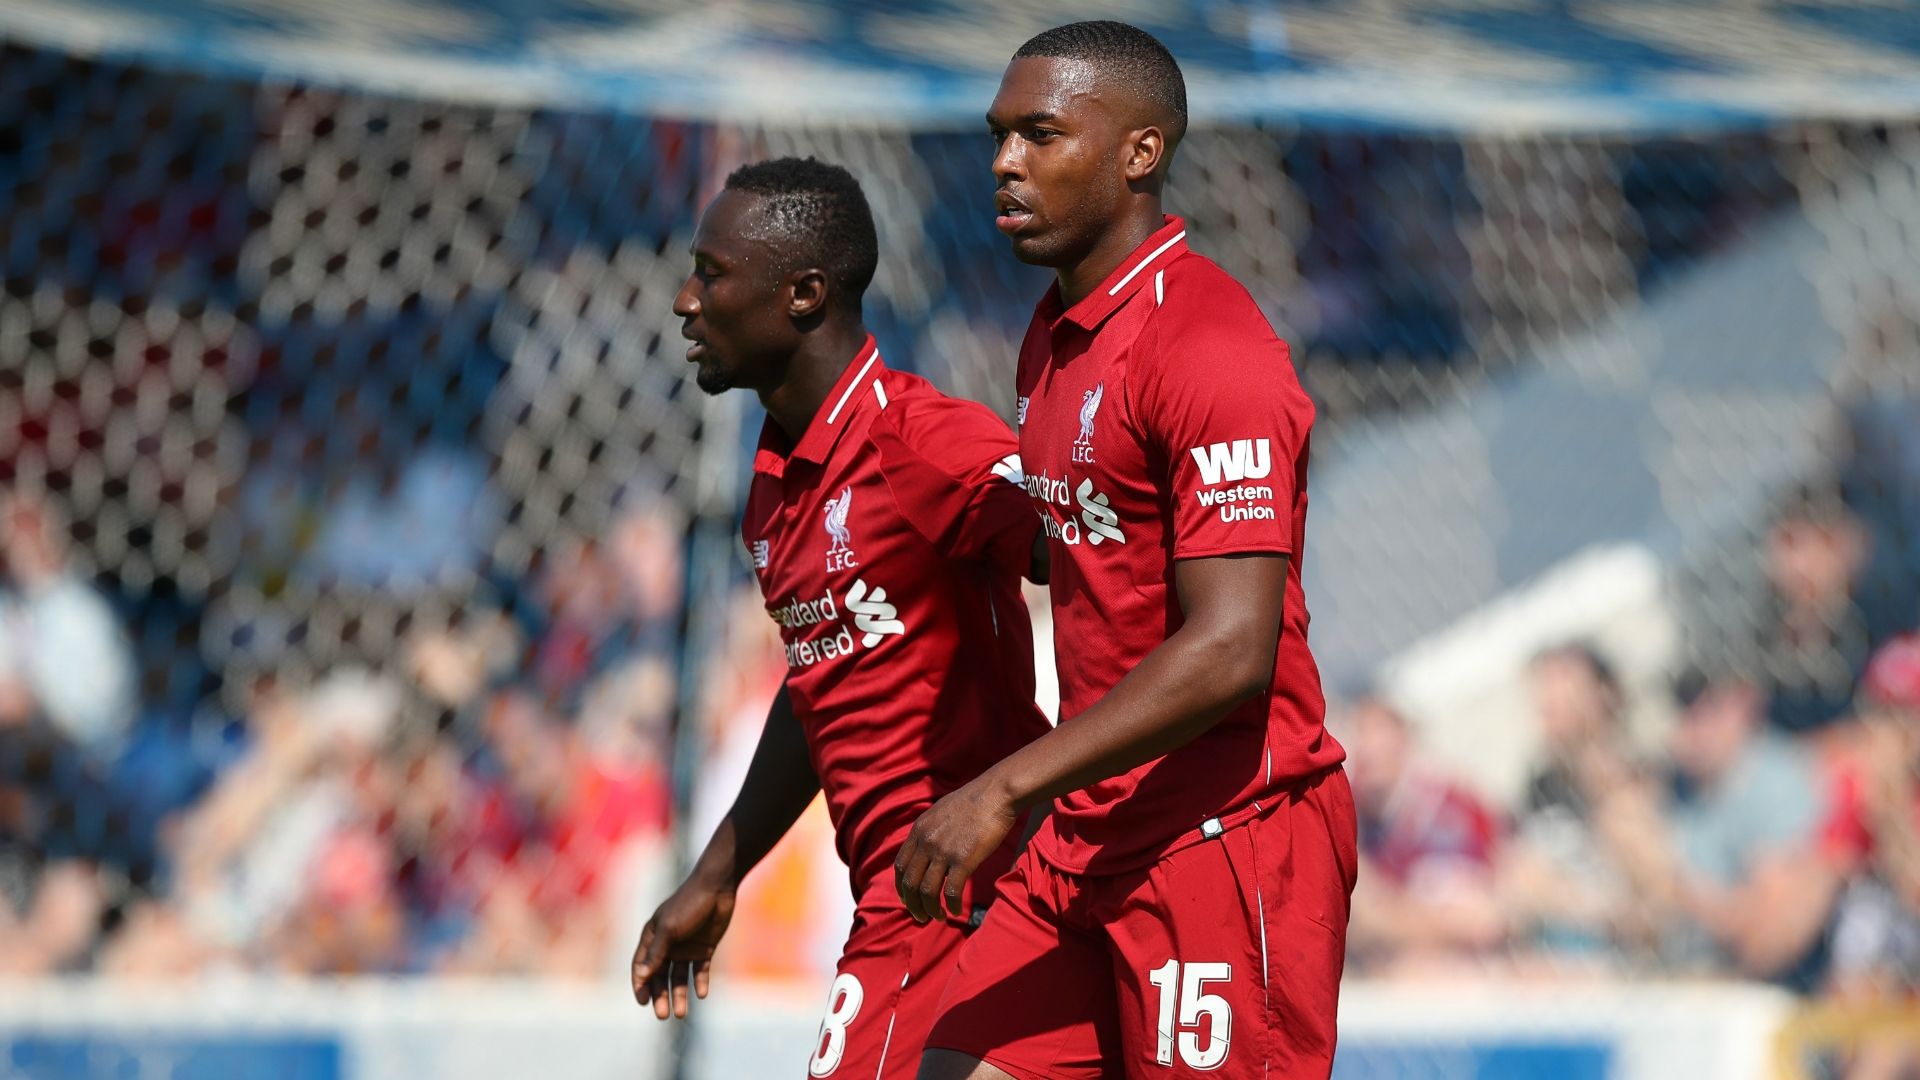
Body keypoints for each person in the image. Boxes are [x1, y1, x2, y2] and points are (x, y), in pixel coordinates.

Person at [898, 23, 1356, 1079]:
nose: (1005, 163)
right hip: (1093, 831)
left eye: (1041, 135)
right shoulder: (1054, 334)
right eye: (999, 136)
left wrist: (1003, 787)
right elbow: (1094, 553)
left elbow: (1234, 648)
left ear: (1139, 152)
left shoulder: (1212, 348)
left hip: (1227, 836)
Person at [630, 158, 1050, 1080]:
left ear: (804, 293)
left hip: (968, 894)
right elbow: (822, 684)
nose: (684, 301)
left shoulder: (922, 442)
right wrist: (718, 870)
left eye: (713, 273)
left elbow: (1093, 558)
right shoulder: (777, 490)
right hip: (909, 902)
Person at [1338, 698, 1506, 976]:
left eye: (1378, 732)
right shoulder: (1348, 813)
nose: (1368, 747)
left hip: (1458, 961)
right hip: (1396, 959)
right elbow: (1362, 916)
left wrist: (1394, 918)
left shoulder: (1452, 808)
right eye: (1361, 732)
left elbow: (1482, 920)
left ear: (1404, 740)